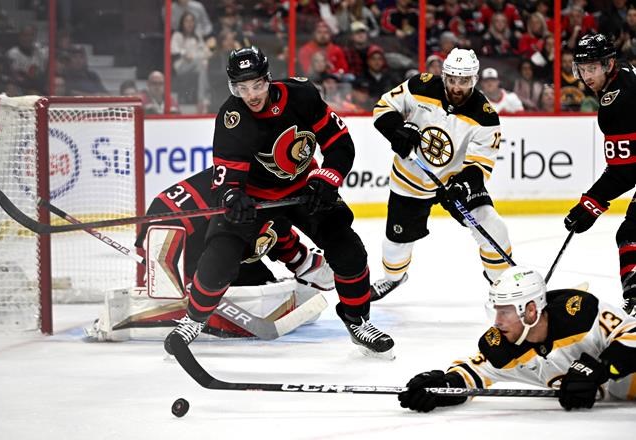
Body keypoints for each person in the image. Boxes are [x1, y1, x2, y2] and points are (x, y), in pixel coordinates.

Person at [164, 46, 394, 358]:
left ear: (268, 79)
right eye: (242, 88)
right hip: (257, 198)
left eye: (256, 85)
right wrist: (234, 197)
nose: (251, 95)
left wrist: (327, 177)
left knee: (348, 250)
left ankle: (357, 321)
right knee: (219, 259)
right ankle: (193, 320)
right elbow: (227, 179)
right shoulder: (232, 119)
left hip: (305, 191)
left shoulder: (302, 95)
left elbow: (339, 143)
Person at [370, 47, 512, 300]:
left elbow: (480, 165)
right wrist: (397, 131)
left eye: (464, 81)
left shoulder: (485, 117)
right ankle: (393, 278)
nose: (457, 87)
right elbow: (383, 107)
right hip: (411, 179)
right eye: (453, 80)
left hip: (453, 183)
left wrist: (462, 186)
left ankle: (503, 284)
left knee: (492, 225)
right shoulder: (420, 85)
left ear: (474, 80)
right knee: (396, 244)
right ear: (444, 76)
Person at [127, 166, 334, 339]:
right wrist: (163, 266)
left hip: (233, 258)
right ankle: (187, 310)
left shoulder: (277, 201)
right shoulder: (225, 183)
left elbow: (282, 239)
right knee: (231, 278)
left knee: (263, 286)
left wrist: (315, 265)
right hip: (194, 257)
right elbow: (163, 210)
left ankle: (205, 303)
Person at [398, 266, 636, 413]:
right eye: (496, 311)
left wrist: (601, 368)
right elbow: (473, 372)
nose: (497, 322)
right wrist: (444, 388)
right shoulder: (505, 348)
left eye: (505, 312)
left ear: (531, 310)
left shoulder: (581, 315)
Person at [563, 33, 636, 317]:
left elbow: (624, 172)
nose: (586, 76)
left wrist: (590, 205)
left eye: (592, 68)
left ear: (608, 65)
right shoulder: (624, 71)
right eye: (582, 68)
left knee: (631, 233)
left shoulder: (615, 104)